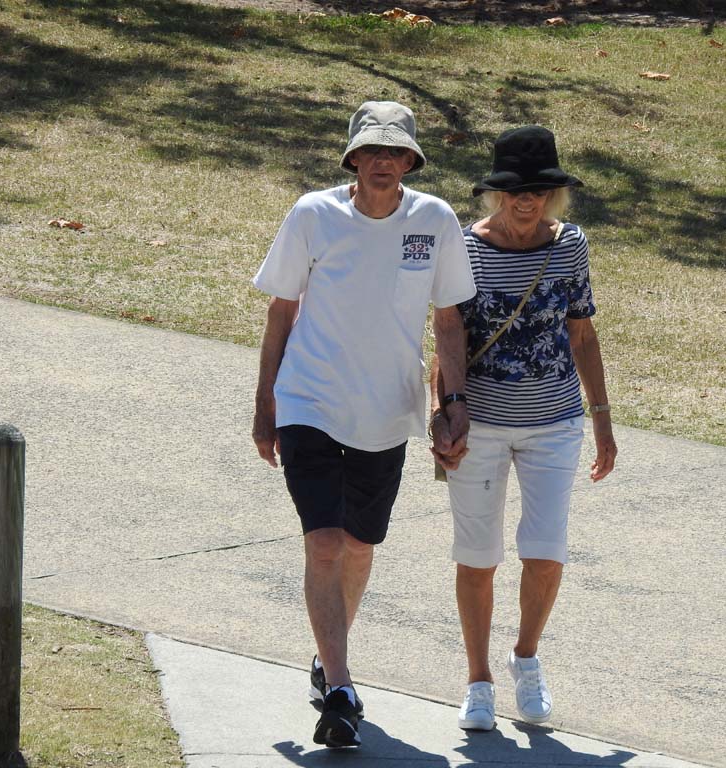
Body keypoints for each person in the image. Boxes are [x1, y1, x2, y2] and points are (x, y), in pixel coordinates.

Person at [251, 101, 476, 749]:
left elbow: (449, 321)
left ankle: (329, 659)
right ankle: (342, 689)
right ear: (352, 158)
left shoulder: (434, 220)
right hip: (309, 401)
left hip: (387, 412)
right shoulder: (312, 214)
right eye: (371, 150)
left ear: (410, 160)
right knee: (324, 542)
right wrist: (265, 404)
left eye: (395, 151)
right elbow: (281, 312)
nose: (383, 160)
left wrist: (452, 402)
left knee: (358, 545)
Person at [430, 126, 617, 731]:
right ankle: (478, 680)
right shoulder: (465, 247)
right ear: (497, 194)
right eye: (516, 190)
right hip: (480, 425)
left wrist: (602, 419)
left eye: (539, 189)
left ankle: (526, 659)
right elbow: (448, 335)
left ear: (554, 194)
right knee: (477, 556)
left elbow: (582, 333)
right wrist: (446, 410)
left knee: (545, 551)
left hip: (554, 424)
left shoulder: (571, 245)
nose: (527, 200)